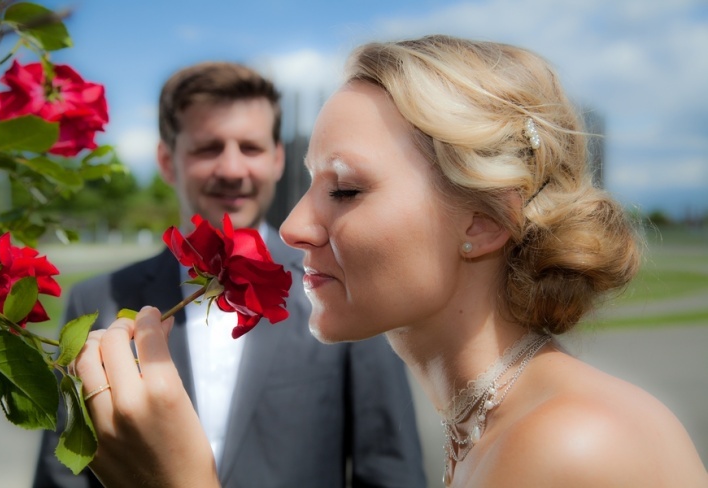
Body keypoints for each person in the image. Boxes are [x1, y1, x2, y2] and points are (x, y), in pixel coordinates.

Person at [72, 35, 708, 487]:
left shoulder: (576, 446)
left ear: (484, 221)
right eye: (309, 182)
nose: (292, 227)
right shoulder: (489, 429)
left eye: (344, 189)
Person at [32, 61, 426, 488]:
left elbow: (391, 471)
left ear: (278, 159)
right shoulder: (97, 299)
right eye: (208, 148)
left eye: (251, 148)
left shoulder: (346, 285)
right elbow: (64, 472)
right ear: (167, 161)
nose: (234, 170)